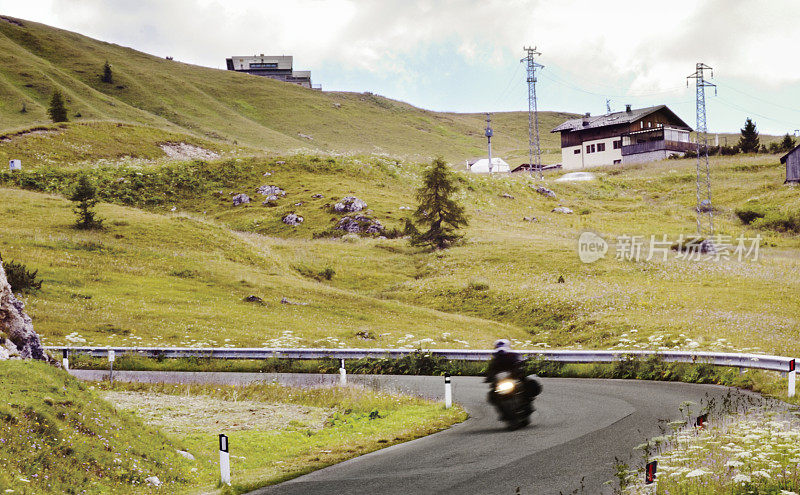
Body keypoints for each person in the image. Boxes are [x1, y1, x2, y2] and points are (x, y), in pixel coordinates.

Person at [485, 339, 541, 410]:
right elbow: (491, 371)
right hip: (502, 381)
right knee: (493, 393)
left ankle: (527, 401)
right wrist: (489, 378)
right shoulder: (495, 359)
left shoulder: (513, 355)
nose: (502, 353)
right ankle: (501, 409)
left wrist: (520, 371)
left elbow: (520, 365)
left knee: (526, 382)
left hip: (513, 378)